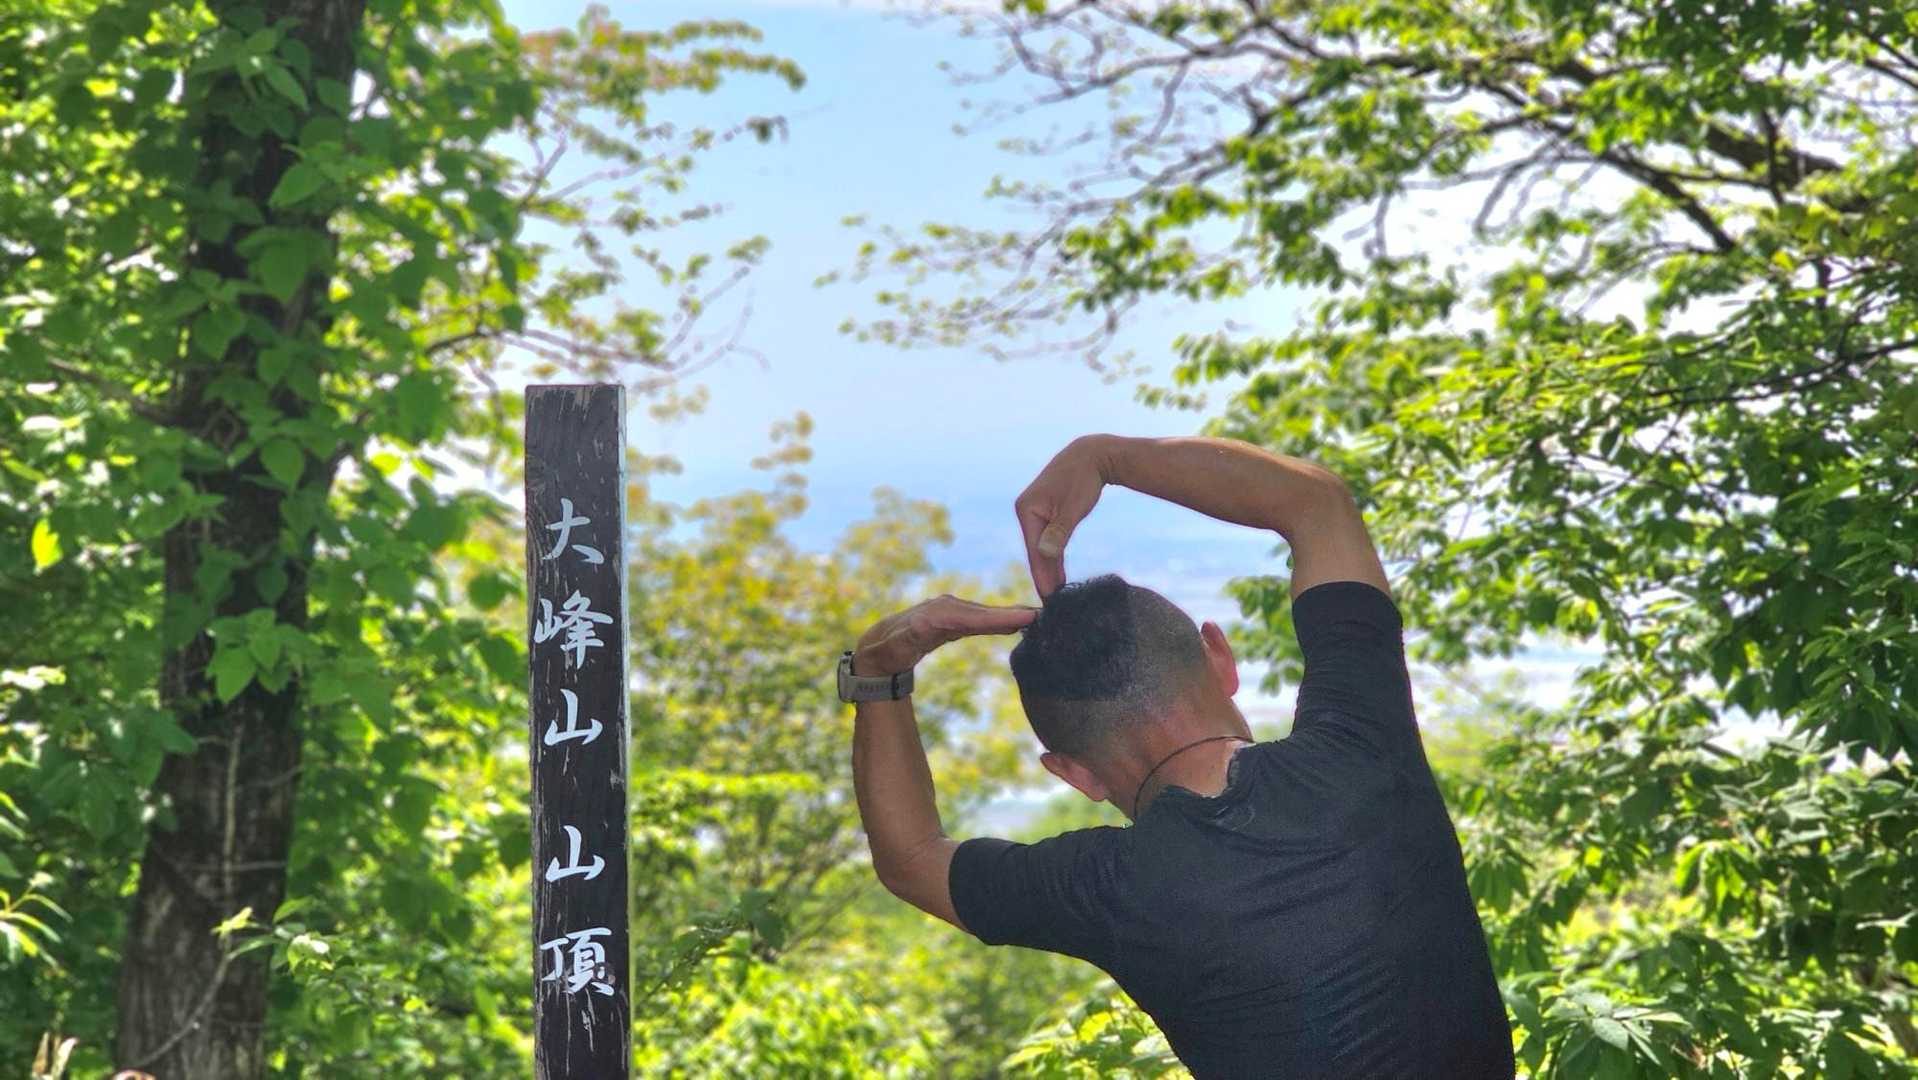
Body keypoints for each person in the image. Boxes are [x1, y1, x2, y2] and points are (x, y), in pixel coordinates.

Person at [842, 433, 1515, 1078]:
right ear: (1220, 657)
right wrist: (1103, 458)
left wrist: (877, 674)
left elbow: (911, 859)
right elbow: (1317, 504)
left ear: (1073, 773)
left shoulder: (1103, 889)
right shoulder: (1359, 746)